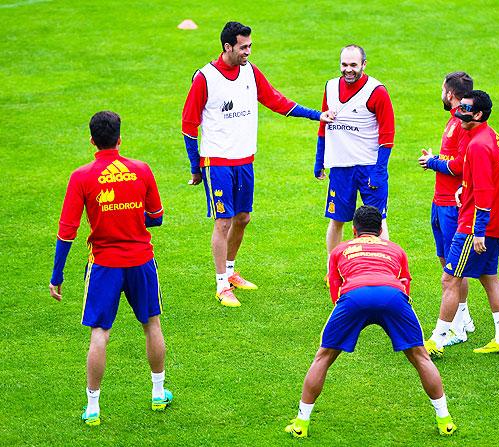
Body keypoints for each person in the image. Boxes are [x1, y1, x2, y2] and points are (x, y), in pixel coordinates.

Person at [182, 21, 334, 307]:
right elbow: (189, 125)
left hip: (245, 160)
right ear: (227, 47)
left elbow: (276, 100)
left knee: (243, 218)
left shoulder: (250, 71)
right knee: (223, 221)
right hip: (216, 162)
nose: (248, 52)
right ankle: (220, 285)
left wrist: (317, 115)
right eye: (243, 47)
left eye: (250, 46)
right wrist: (195, 166)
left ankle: (230, 272)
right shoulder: (205, 78)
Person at [284, 206, 456, 438]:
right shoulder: (396, 250)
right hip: (393, 296)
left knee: (323, 357)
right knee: (420, 356)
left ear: (354, 230)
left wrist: (346, 313)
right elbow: (405, 284)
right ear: (380, 229)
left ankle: (301, 424)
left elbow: (335, 288)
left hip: (354, 297)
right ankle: (445, 420)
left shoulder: (340, 250)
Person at [49, 111, 171, 426]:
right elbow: (156, 216)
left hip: (104, 265)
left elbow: (67, 231)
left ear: (92, 140)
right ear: (119, 138)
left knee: (100, 334)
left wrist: (57, 276)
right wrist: (131, 218)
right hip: (141, 261)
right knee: (152, 325)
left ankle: (93, 407)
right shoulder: (141, 170)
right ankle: (158, 392)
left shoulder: (82, 177)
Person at [427, 90, 499, 357]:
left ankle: (437, 340)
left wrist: (478, 231)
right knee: (489, 278)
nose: (459, 113)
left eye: (465, 109)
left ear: (478, 114)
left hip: (474, 225)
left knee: (450, 278)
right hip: (492, 224)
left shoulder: (477, 146)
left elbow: (485, 192)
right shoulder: (490, 136)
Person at [314, 44, 395, 268]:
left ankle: (384, 270)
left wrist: (379, 170)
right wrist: (319, 158)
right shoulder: (330, 87)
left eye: (353, 65)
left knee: (378, 220)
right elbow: (323, 124)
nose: (348, 70)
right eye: (344, 65)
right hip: (341, 166)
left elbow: (387, 135)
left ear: (364, 65)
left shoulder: (376, 91)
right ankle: (334, 269)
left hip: (369, 166)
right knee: (337, 219)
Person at [418, 72, 476, 350]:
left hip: (452, 205)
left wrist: (433, 163)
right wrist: (436, 158)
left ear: (450, 93)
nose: (440, 93)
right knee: (445, 260)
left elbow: (460, 166)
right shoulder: (453, 120)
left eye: (442, 89)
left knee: (454, 269)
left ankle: (456, 329)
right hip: (439, 201)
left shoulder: (463, 123)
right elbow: (452, 159)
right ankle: (464, 318)